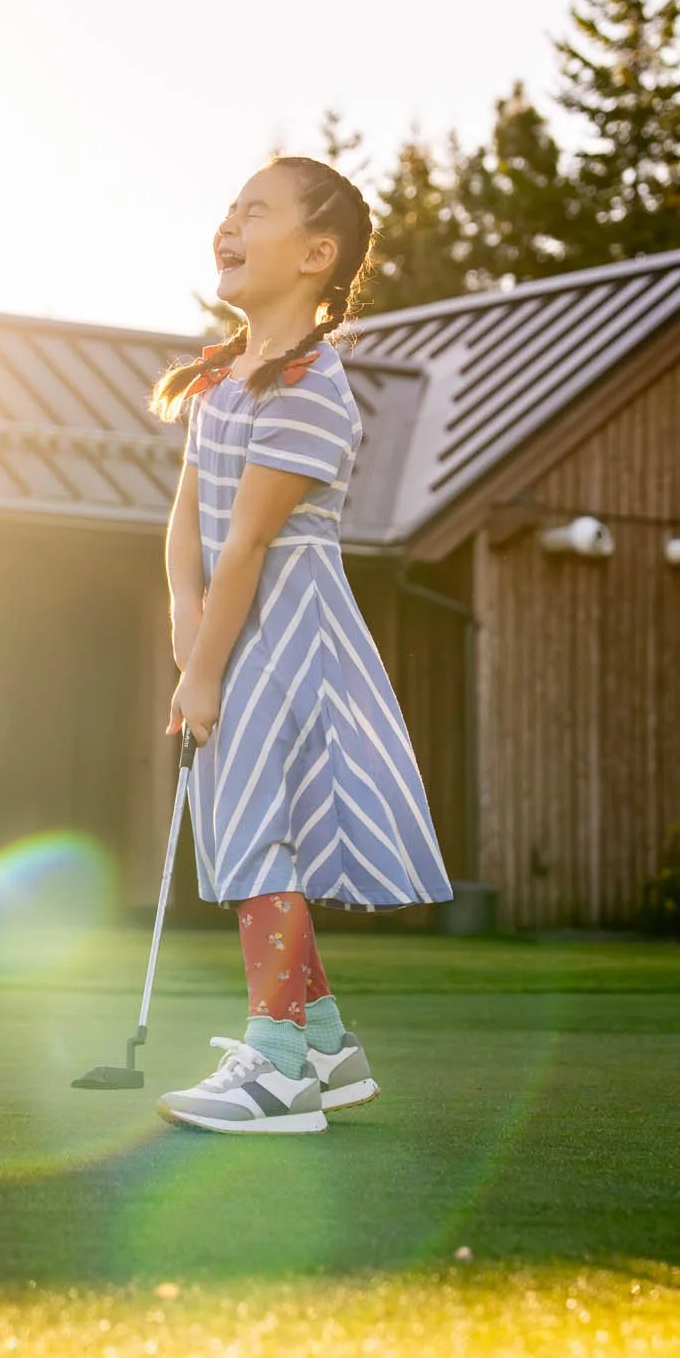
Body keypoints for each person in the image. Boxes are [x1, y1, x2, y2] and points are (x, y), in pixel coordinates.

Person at [149, 156, 451, 1135]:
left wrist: (205, 671)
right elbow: (186, 526)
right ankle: (323, 1040)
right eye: (228, 209)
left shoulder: (314, 388)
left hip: (288, 624)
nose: (228, 226)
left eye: (256, 212)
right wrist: (185, 630)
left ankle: (276, 1068)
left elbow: (248, 541)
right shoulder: (219, 379)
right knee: (244, 816)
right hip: (235, 627)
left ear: (317, 254)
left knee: (249, 825)